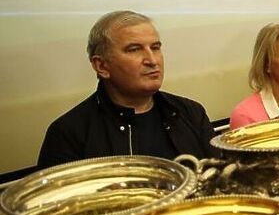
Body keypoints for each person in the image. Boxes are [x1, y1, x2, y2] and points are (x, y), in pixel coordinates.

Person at [38, 11, 216, 168]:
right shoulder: (69, 134)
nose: (152, 60)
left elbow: (219, 181)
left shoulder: (191, 113)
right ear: (101, 66)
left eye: (155, 48)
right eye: (134, 49)